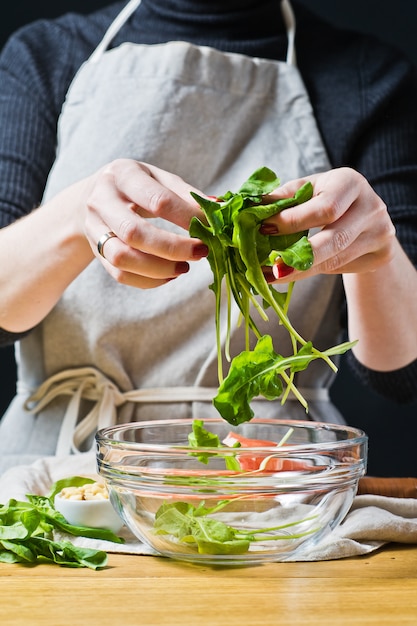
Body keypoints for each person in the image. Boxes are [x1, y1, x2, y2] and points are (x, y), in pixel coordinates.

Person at [0, 0, 416, 474]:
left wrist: (373, 247)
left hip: (273, 477)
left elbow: (400, 374)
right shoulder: (46, 53)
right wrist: (77, 214)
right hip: (59, 469)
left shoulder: (367, 76)